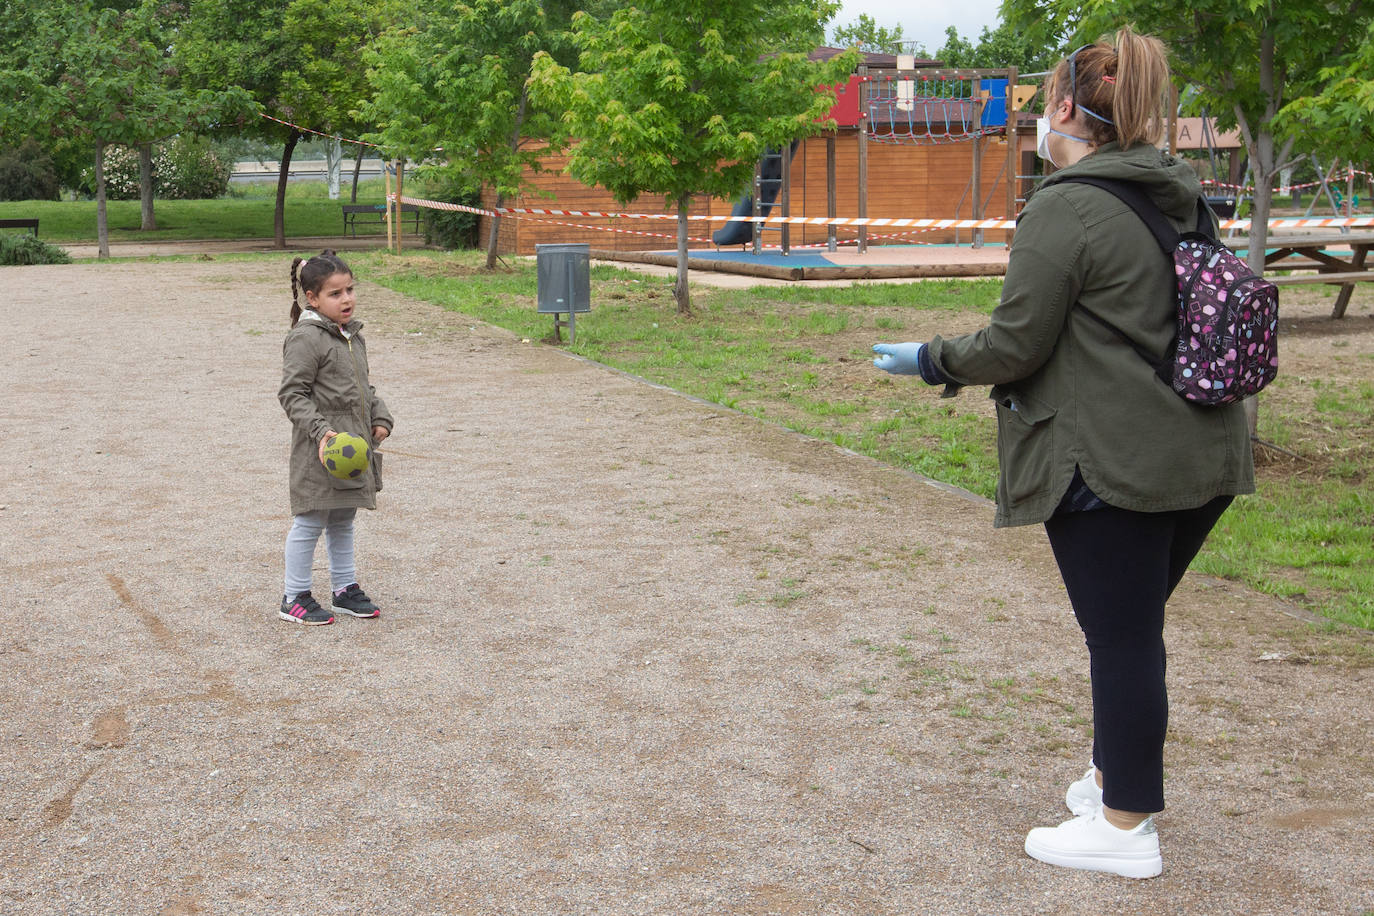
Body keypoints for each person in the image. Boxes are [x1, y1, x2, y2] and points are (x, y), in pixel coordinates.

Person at [873, 29, 1253, 879]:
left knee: (1121, 639)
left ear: (1065, 108)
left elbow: (1016, 342)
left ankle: (1125, 829)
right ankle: (1112, 777)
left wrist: (929, 358)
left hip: (1115, 459)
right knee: (1133, 628)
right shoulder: (1178, 191)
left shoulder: (1065, 204)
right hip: (1204, 452)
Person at [277, 250, 394, 626]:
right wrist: (321, 431)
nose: (346, 299)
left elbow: (363, 387)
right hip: (321, 448)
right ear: (312, 298)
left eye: (350, 290)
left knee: (343, 519)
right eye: (335, 293)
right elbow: (292, 394)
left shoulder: (351, 336)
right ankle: (294, 595)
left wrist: (380, 416)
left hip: (353, 448)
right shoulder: (306, 338)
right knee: (310, 519)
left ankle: (344, 589)